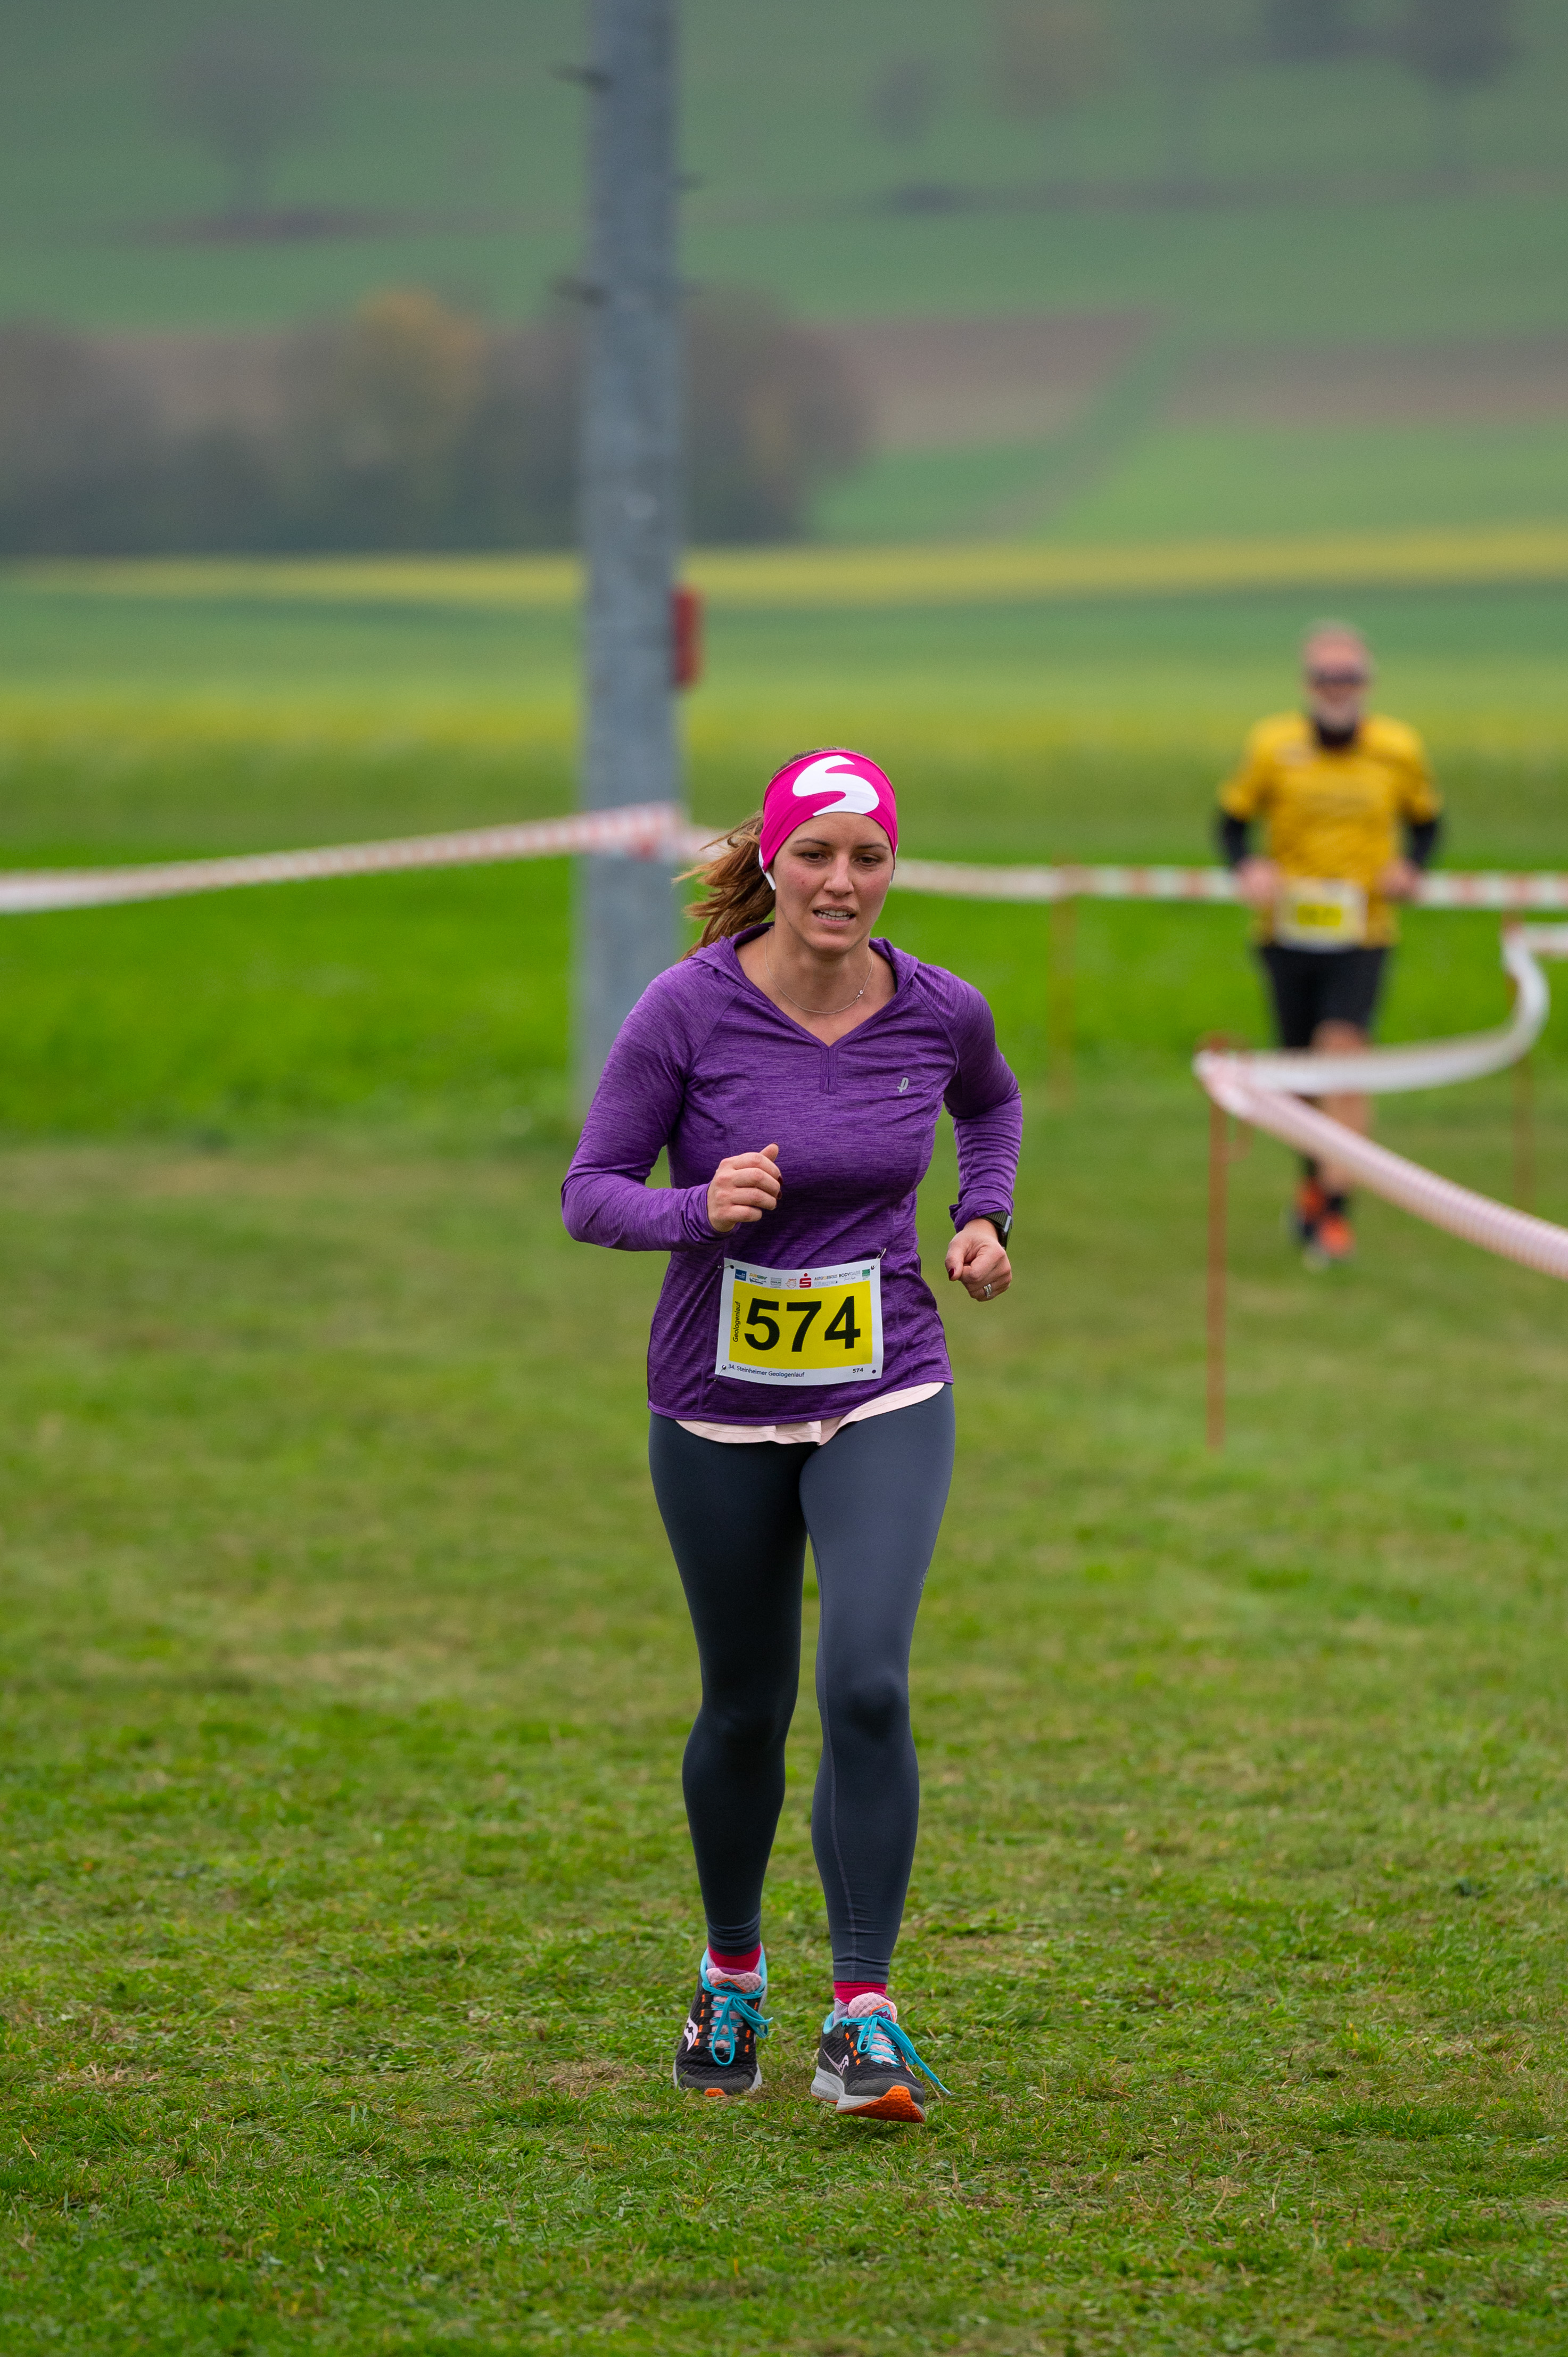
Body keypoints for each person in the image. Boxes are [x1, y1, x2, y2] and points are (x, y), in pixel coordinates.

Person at [562, 748, 1021, 2124]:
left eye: (867, 856)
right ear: (770, 862)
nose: (841, 881)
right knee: (746, 1704)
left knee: (868, 1682)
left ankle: (861, 2016)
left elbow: (989, 1102)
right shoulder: (686, 1010)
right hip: (715, 1400)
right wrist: (694, 1209)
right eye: (814, 853)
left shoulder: (937, 1008)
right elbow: (590, 1190)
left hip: (887, 1379)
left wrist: (980, 1214)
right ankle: (731, 1974)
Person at [1216, 622, 1442, 1266]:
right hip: (1287, 931)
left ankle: (1337, 1212)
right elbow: (1231, 821)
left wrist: (1411, 869)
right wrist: (1249, 868)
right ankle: (1314, 1185)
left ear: (1367, 684)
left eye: (1349, 678)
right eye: (1326, 678)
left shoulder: (1398, 749)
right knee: (1301, 1080)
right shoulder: (1273, 745)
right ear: (1308, 685)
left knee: (1344, 1057)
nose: (1338, 689)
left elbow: (1427, 823)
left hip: (1363, 933)